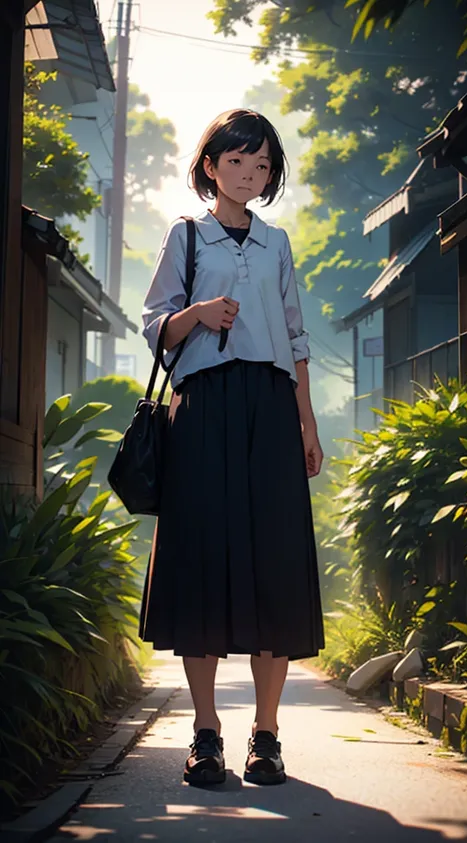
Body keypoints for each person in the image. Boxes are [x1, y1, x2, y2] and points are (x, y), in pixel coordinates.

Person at [139, 108, 325, 787]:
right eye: (238, 161)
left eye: (263, 164)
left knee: (273, 565)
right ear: (211, 165)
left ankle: (267, 735)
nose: (251, 173)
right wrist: (199, 313)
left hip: (270, 412)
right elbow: (156, 324)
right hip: (204, 408)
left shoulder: (277, 244)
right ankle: (207, 732)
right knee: (203, 566)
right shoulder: (187, 237)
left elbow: (297, 340)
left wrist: (306, 423)